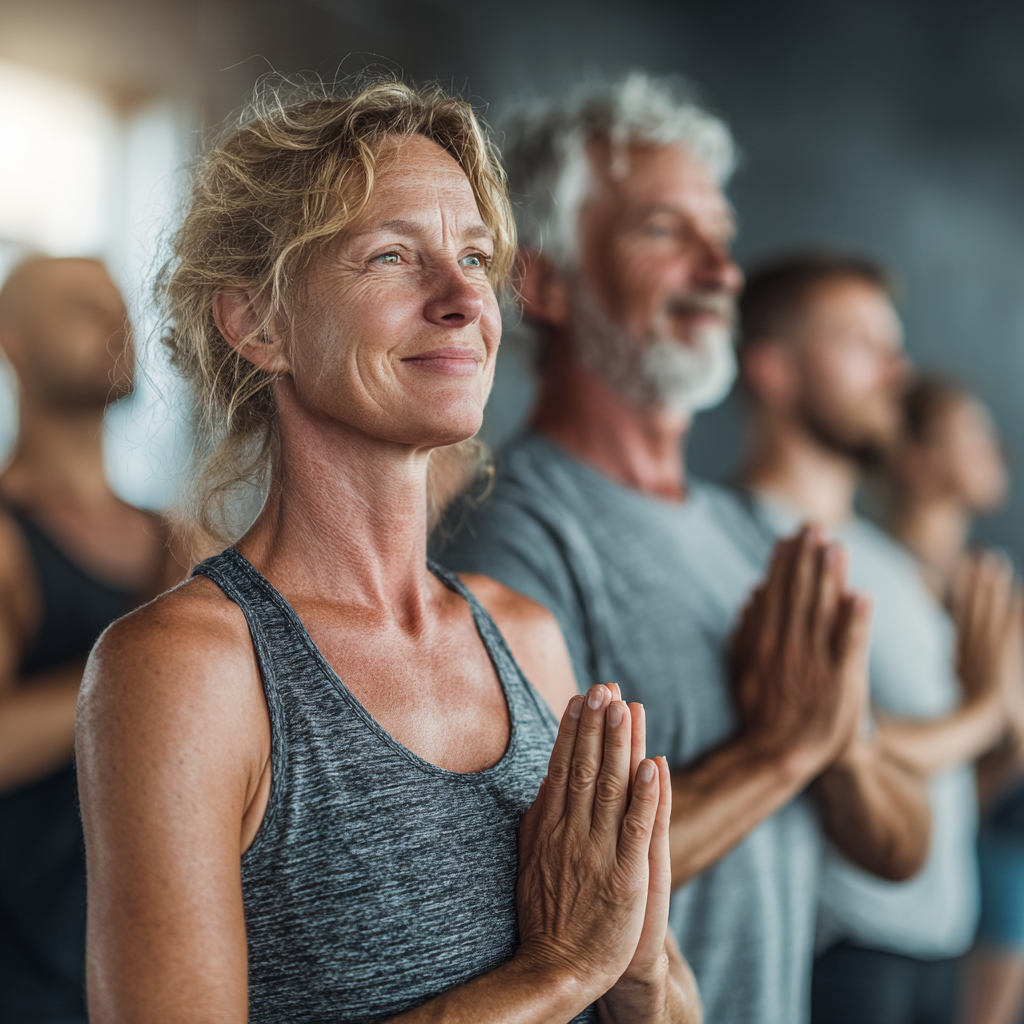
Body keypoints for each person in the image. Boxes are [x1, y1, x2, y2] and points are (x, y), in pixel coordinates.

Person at [76, 79, 701, 1024]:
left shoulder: (525, 637)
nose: (464, 300)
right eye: (394, 256)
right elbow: (572, 972)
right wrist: (560, 972)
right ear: (258, 324)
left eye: (477, 257)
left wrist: (641, 970)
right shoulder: (186, 670)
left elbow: (656, 1002)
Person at [435, 73, 931, 1024]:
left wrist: (840, 753)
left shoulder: (748, 532)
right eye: (664, 231)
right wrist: (780, 753)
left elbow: (900, 847)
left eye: (723, 239)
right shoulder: (510, 534)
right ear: (545, 280)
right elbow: (533, 900)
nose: (721, 271)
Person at [735, 253, 1022, 1024]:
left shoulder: (892, 562)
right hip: (850, 944)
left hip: (940, 935)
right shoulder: (748, 539)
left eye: (891, 342)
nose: (896, 366)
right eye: (860, 340)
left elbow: (952, 772)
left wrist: (991, 723)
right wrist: (986, 709)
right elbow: (834, 737)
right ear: (773, 369)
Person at [0, 257, 191, 1024]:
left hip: (155, 970)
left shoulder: (175, 537)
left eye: (119, 309)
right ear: (11, 341)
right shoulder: (10, 537)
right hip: (31, 978)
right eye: (81, 308)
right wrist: (142, 658)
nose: (115, 325)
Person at [884, 375, 1024, 1024]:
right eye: (966, 431)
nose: (991, 444)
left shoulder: (986, 580)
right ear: (913, 458)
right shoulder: (879, 575)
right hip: (945, 859)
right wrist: (990, 714)